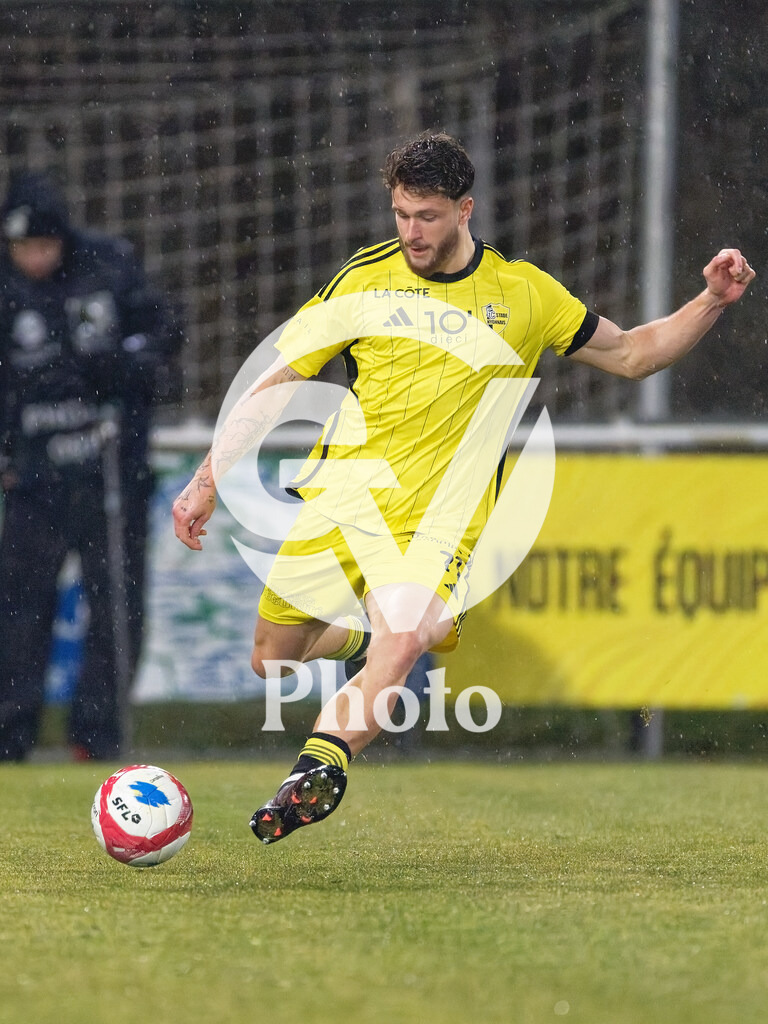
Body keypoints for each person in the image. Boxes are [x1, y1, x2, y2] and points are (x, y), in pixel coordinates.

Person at [172, 130, 755, 843]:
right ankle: (361, 636)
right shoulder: (365, 280)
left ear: (465, 209)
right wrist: (206, 480)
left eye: (428, 216)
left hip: (440, 522)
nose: (412, 232)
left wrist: (711, 301)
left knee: (411, 632)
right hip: (345, 499)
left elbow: (632, 353)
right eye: (401, 215)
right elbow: (279, 382)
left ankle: (314, 772)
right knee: (272, 659)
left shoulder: (524, 293)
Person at [0, 169, 183, 762]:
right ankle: (11, 736)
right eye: (22, 248)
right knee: (20, 610)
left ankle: (96, 738)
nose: (34, 259)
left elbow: (164, 335)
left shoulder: (109, 264)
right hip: (33, 482)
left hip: (112, 477)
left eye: (44, 247)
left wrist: (125, 367)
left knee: (116, 607)